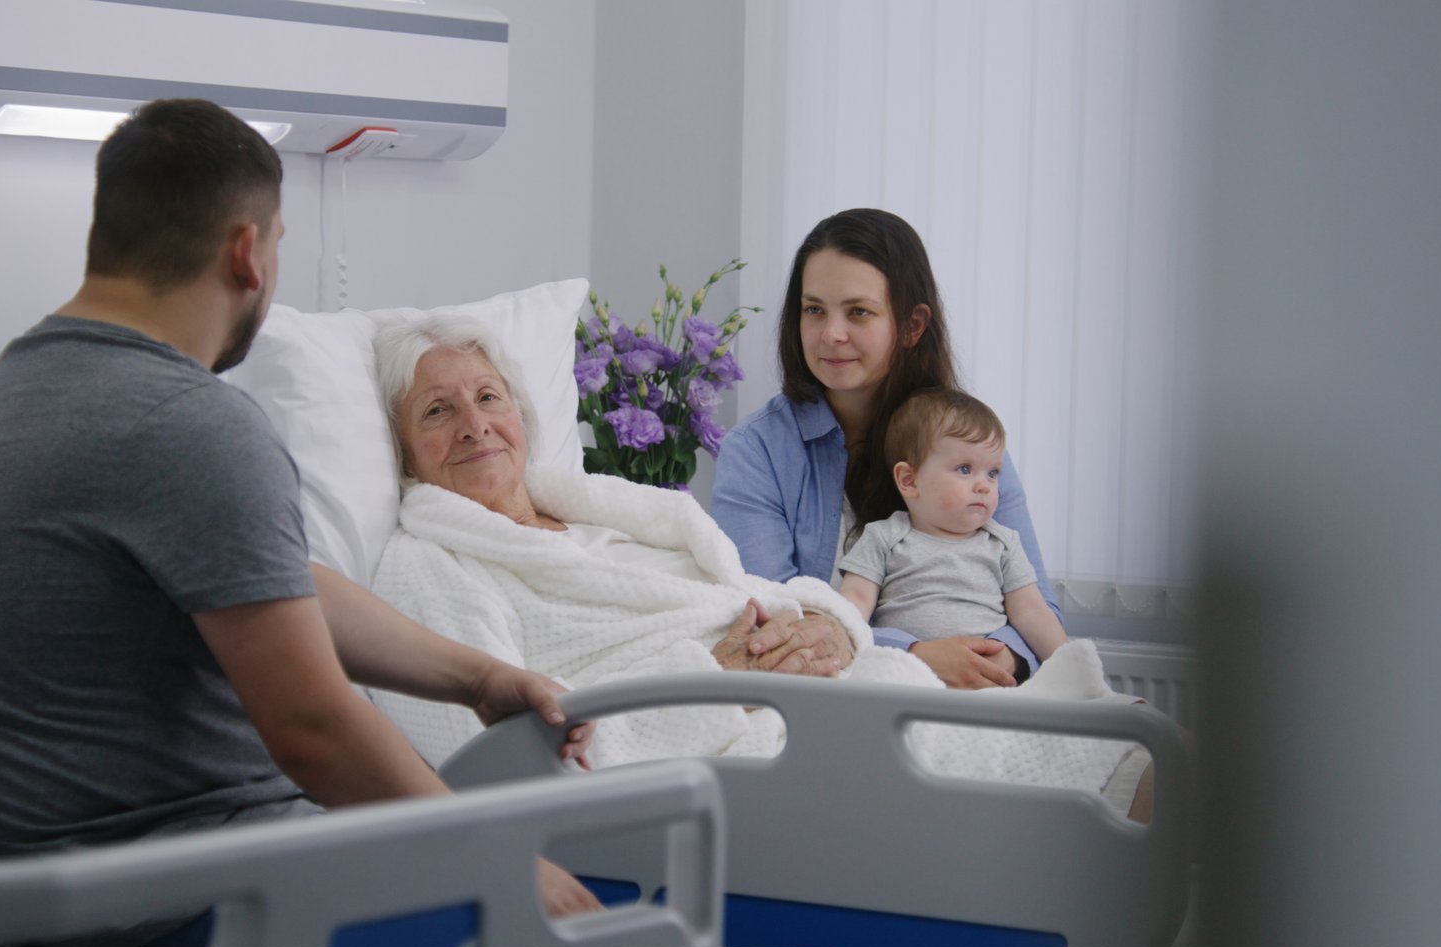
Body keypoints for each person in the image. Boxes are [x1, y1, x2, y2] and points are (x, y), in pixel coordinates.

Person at [0, 99, 595, 947]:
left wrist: (475, 678)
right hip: (178, 910)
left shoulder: (19, 386)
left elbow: (270, 583)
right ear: (247, 252)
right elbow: (310, 725)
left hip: (79, 890)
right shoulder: (190, 422)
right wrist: (495, 859)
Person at [361, 315, 1144, 819]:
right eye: (438, 410)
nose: (475, 425)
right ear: (400, 451)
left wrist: (833, 629)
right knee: (1101, 775)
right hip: (725, 759)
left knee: (1121, 741)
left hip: (817, 693)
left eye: (489, 397)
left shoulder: (614, 511)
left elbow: (765, 592)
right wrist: (712, 679)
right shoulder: (429, 567)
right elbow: (484, 762)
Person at [712, 208, 1063, 690]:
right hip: (836, 703)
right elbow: (776, 619)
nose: (831, 334)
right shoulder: (756, 451)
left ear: (913, 325)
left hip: (988, 692)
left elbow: (1036, 601)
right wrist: (913, 655)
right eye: (814, 309)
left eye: (858, 312)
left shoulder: (967, 445)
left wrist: (1002, 658)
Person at [838, 388, 1068, 663]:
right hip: (903, 674)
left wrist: (1073, 673)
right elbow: (854, 603)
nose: (984, 485)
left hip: (986, 677)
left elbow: (1033, 613)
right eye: (964, 469)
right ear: (909, 480)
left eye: (993, 472)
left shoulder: (1003, 544)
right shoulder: (883, 537)